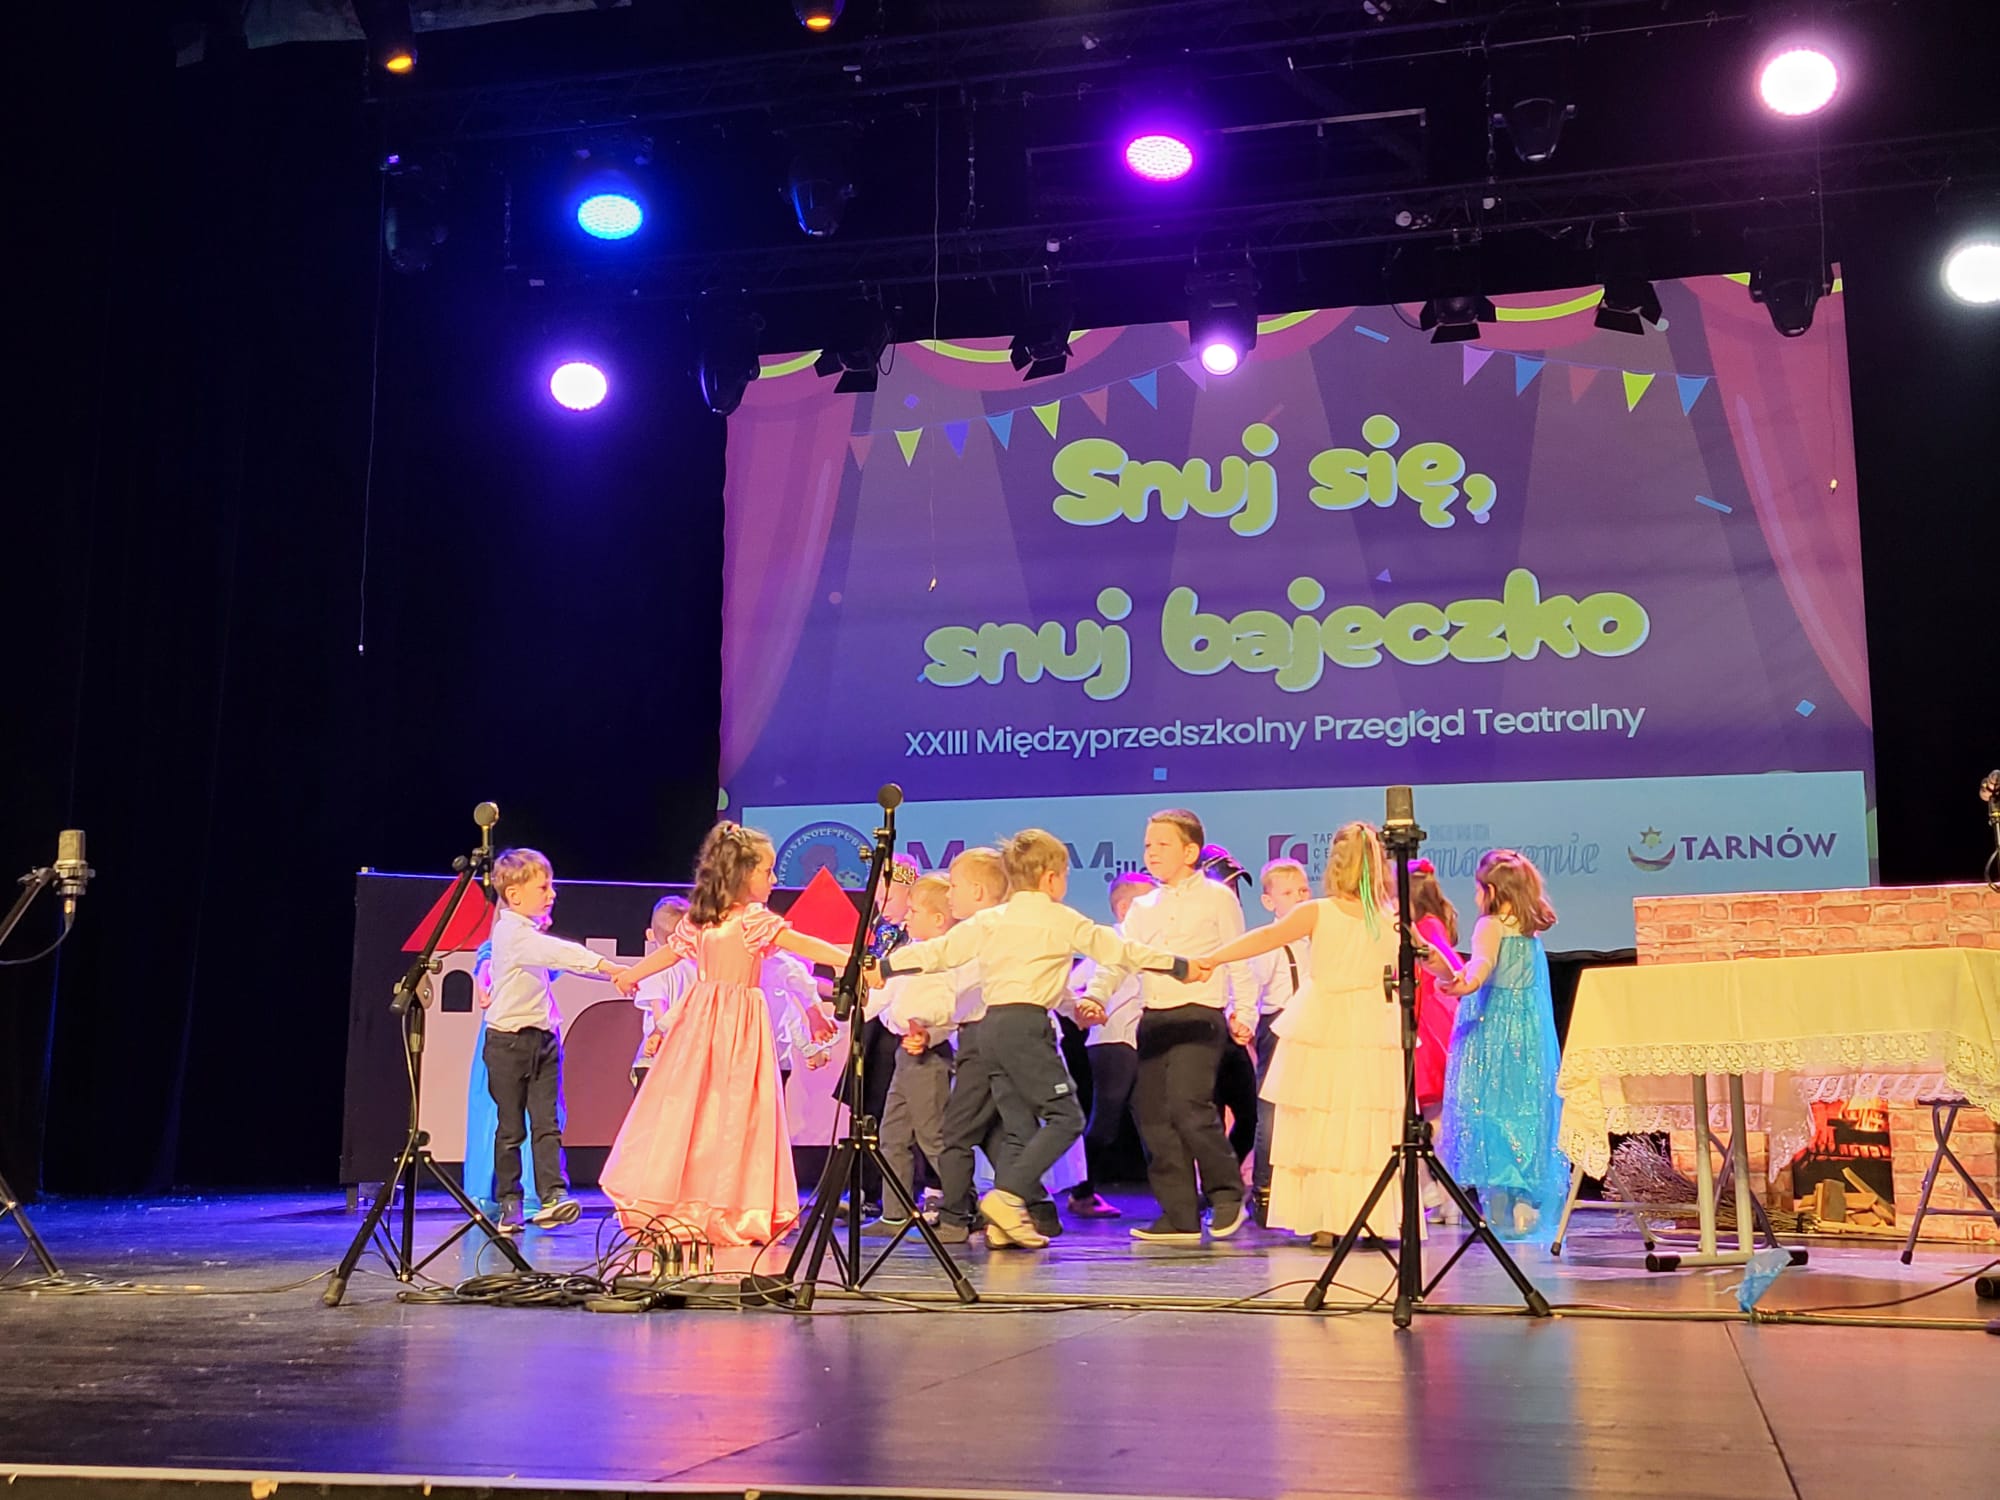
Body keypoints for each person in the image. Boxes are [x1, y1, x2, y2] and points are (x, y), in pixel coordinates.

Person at [876, 830, 1191, 1250]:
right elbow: (1120, 951)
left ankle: (1003, 1216)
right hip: (1024, 1028)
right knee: (1065, 1118)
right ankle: (1008, 1198)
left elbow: (937, 953)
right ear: (1050, 878)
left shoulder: (991, 921)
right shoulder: (1059, 918)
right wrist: (1179, 965)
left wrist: (885, 967)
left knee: (1008, 1126)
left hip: (990, 1030)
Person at [603, 823, 852, 1247]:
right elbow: (671, 953)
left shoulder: (751, 921)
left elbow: (798, 948)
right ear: (743, 873)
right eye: (768, 871)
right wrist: (632, 974)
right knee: (698, 1107)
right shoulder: (713, 921)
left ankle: (727, 1203)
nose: (774, 880)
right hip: (709, 1022)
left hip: (731, 1023)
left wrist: (847, 960)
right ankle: (691, 1200)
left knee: (733, 1110)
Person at [1193, 822, 1405, 1247]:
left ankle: (1326, 1217)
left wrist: (1213, 958)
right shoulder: (1391, 918)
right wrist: (1457, 977)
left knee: (1321, 1117)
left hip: (1329, 1022)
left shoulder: (1327, 912)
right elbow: (1432, 956)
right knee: (1363, 1118)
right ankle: (1367, 1215)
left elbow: (1266, 936)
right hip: (1368, 1022)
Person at [1083, 809, 1256, 1244]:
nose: (1152, 852)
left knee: (1187, 1104)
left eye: (1163, 844)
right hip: (1154, 1019)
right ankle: (1179, 1214)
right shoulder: (1143, 906)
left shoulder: (1218, 898)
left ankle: (1226, 1193)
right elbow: (1121, 958)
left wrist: (1246, 1012)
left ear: (1190, 851)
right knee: (1154, 1116)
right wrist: (1096, 996)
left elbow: (1239, 957)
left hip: (1200, 1016)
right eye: (1147, 845)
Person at [483, 848, 628, 1232]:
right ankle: (510, 1200)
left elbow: (554, 963)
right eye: (543, 887)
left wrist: (609, 973)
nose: (552, 894)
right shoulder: (511, 933)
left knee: (546, 1123)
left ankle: (552, 1196)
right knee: (511, 1128)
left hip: (544, 1040)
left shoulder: (530, 934)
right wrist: (607, 966)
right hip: (508, 1044)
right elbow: (560, 953)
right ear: (514, 895)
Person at [1431, 849, 1567, 1239]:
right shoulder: (1528, 929)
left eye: (1478, 889)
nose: (1475, 897)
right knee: (1524, 1110)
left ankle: (1503, 1204)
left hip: (1492, 1032)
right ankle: (1524, 1198)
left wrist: (1465, 984)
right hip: (1529, 1035)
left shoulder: (1489, 925)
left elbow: (1481, 964)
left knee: (1489, 1109)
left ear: (1491, 891)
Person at [865, 874, 970, 1232]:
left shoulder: (946, 962)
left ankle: (963, 1207)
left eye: (914, 911)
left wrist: (928, 1032)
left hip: (928, 1056)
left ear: (938, 919)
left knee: (933, 1136)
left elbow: (951, 1008)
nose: (907, 917)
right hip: (905, 1055)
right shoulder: (907, 954)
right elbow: (880, 997)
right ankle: (894, 1214)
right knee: (893, 1134)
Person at [1064, 871, 1156, 1219]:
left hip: (1142, 1040)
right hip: (1112, 1042)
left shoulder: (1152, 944)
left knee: (1152, 1121)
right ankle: (1080, 1191)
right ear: (1124, 908)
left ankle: (1175, 1197)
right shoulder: (1109, 944)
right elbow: (1073, 986)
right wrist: (1090, 1007)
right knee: (1105, 1122)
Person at [1246, 858, 1313, 1227]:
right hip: (1279, 1027)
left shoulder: (1317, 939)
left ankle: (1305, 1192)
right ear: (1270, 902)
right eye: (1288, 893)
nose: (1299, 897)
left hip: (1315, 1028)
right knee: (1272, 1112)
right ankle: (1265, 1190)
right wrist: (1242, 1020)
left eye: (1303, 890)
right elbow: (1250, 989)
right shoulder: (1272, 944)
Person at [1406, 859, 1466, 1224]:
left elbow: (1447, 966)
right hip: (1439, 1020)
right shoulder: (1436, 922)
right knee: (1433, 1115)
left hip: (1425, 1024)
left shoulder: (1422, 928)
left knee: (1424, 1114)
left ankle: (1439, 1191)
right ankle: (1443, 1196)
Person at [630, 896, 694, 1091]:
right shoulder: (697, 967)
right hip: (689, 1057)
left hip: (657, 1059)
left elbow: (659, 1011)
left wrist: (659, 1033)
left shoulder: (652, 970)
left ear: (650, 934)